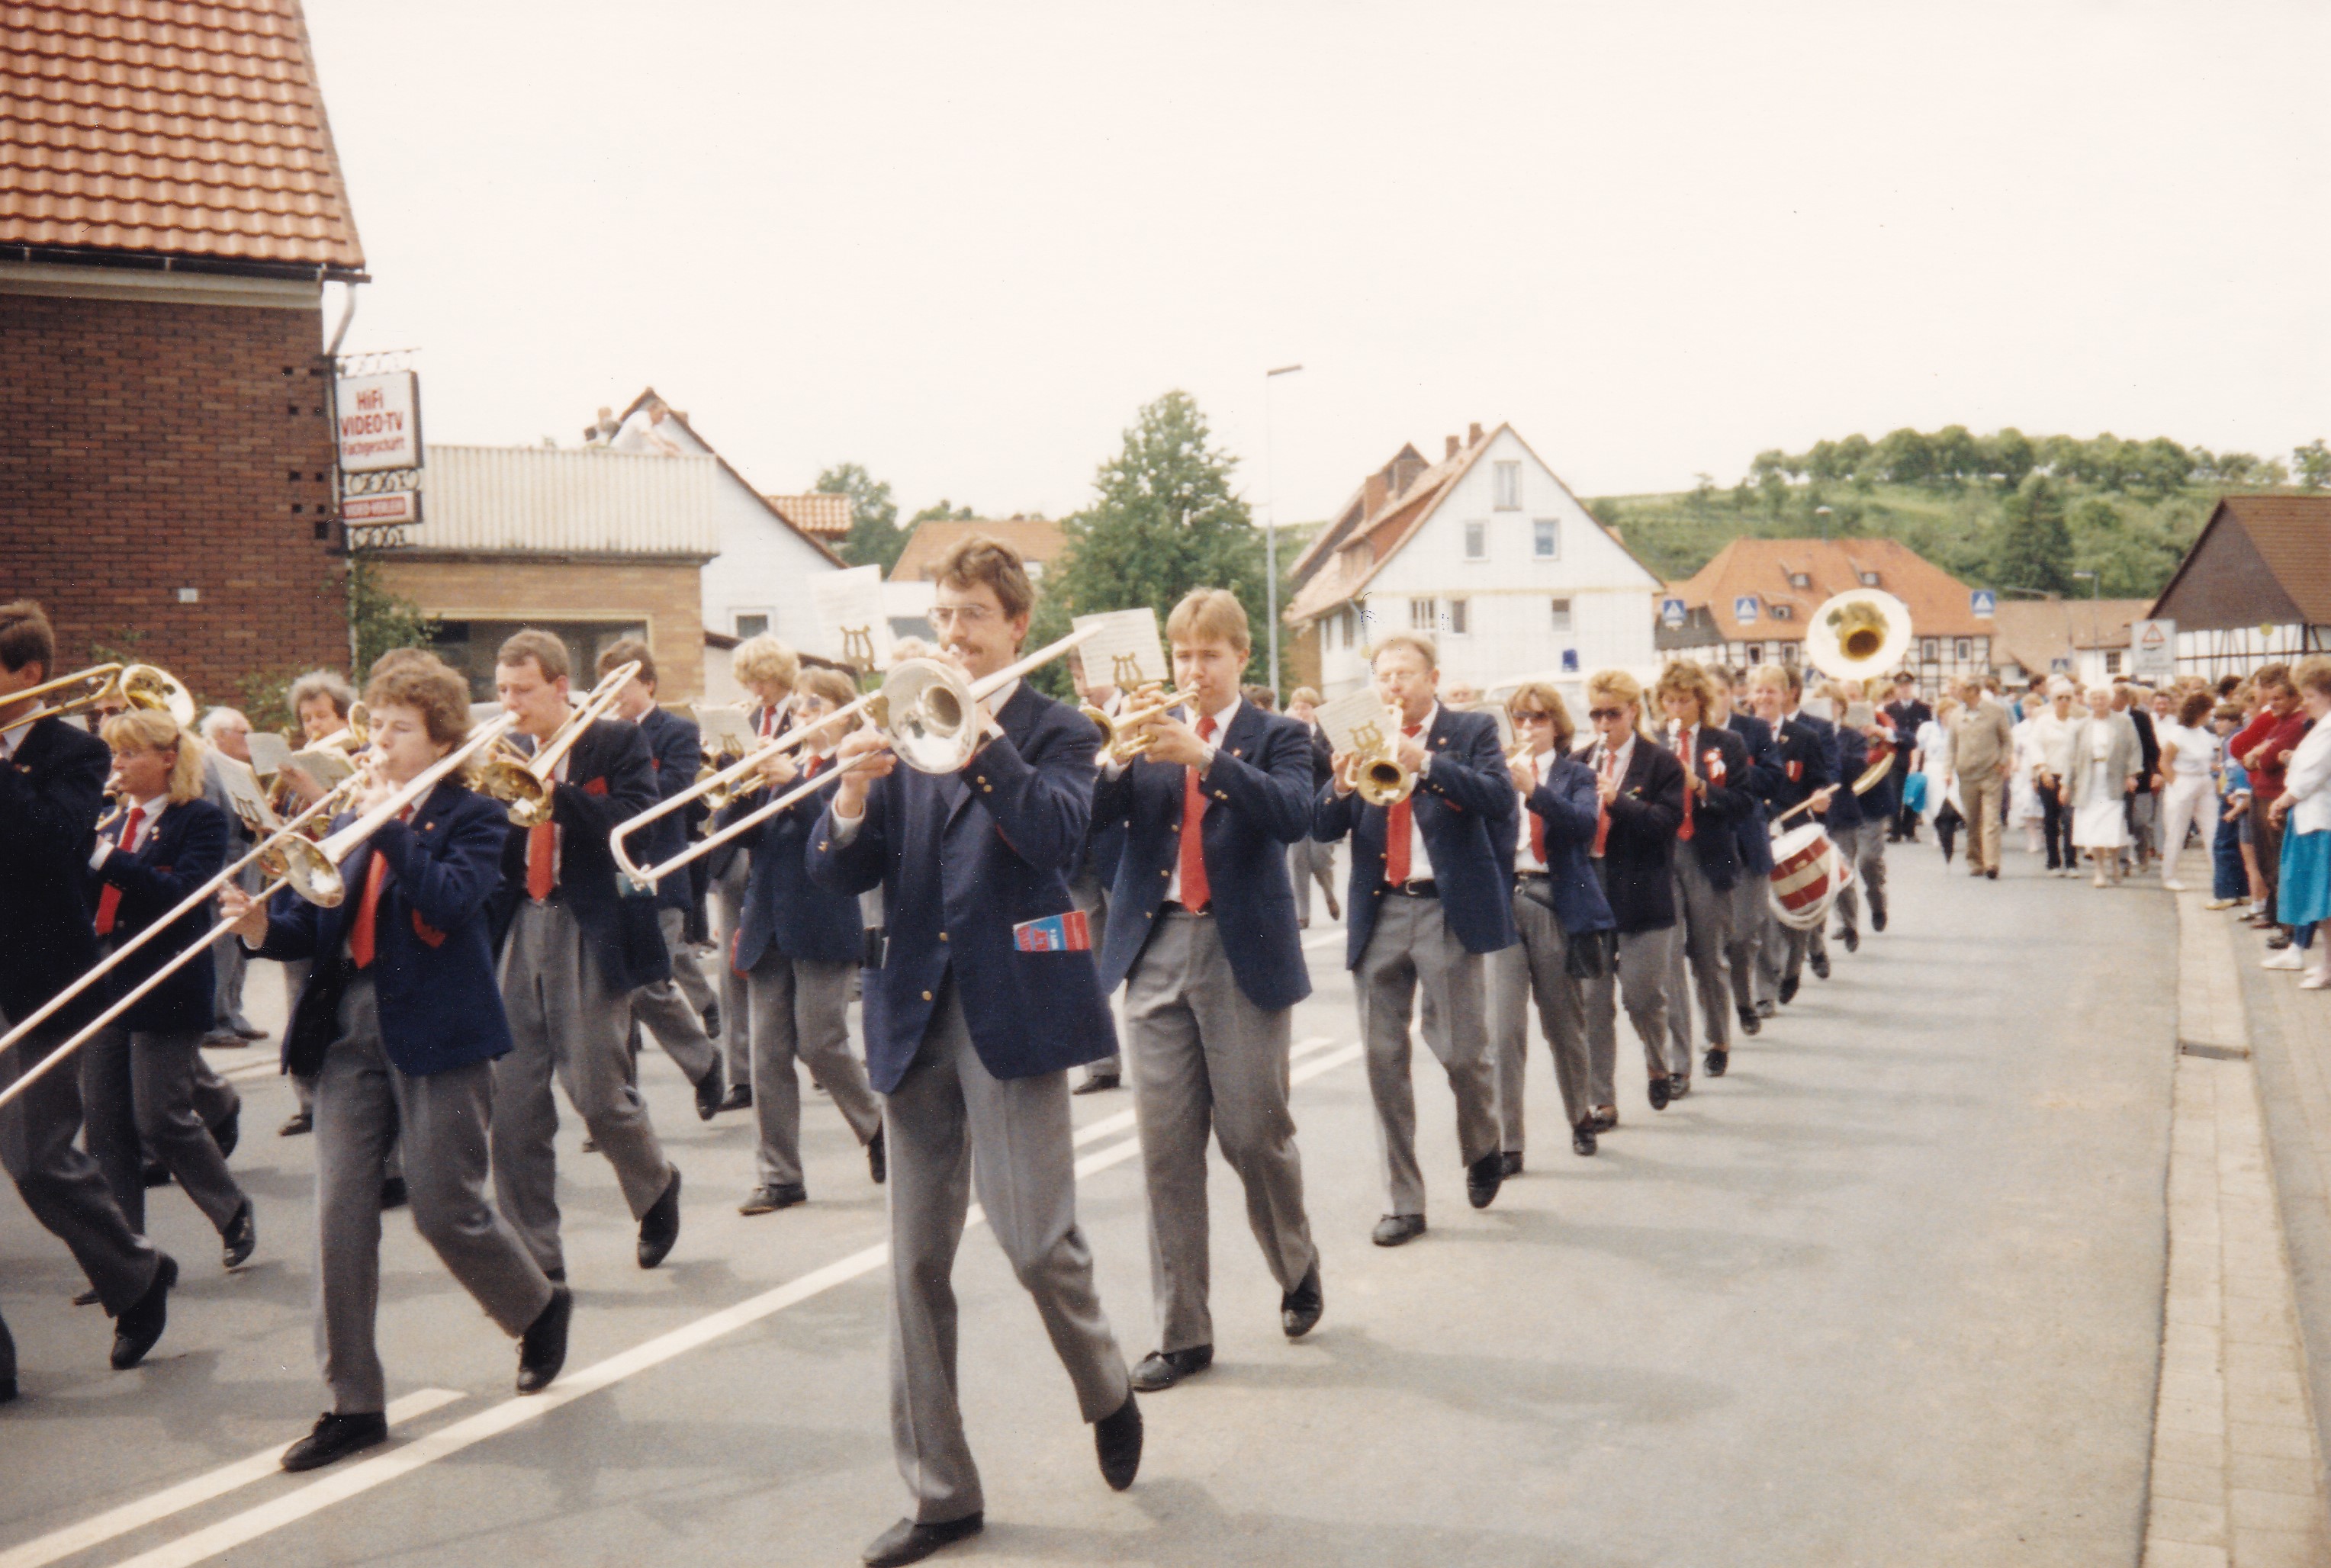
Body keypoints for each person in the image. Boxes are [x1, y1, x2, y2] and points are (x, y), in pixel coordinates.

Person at [810, 535, 1140, 1566]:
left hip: (1015, 999)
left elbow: (1055, 840)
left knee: (1035, 1242)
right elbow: (842, 870)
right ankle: (941, 1493)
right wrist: (850, 797)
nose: (951, 634)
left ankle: (1105, 1382)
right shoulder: (901, 718)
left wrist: (982, 737)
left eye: (972, 617)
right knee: (914, 1264)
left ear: (1015, 627)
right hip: (911, 1005)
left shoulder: (1057, 730)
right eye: (941, 616)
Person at [222, 652, 569, 1471]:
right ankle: (353, 1401)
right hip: (348, 1029)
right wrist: (260, 930)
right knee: (338, 1218)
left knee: (445, 1208)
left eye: (399, 729)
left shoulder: (475, 814)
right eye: (374, 725)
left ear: (440, 738)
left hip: (438, 1029)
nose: (378, 741)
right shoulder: (356, 808)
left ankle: (535, 1305)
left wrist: (388, 825)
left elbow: (451, 901)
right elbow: (320, 923)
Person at [1091, 589, 1322, 1393]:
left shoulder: (1279, 734)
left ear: (1240, 657)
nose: (1195, 669)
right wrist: (1115, 758)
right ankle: (1181, 1331)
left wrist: (1208, 760)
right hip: (1155, 943)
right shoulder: (1147, 727)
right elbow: (1088, 821)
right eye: (1183, 655)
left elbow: (1295, 814)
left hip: (1239, 946)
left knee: (1253, 1133)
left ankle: (1295, 1263)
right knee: (1165, 1151)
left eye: (1210, 655)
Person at [0, 600, 176, 1387]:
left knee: (37, 1161)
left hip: (39, 978)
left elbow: (48, 843)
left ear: (28, 675)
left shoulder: (75, 751)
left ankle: (136, 1274)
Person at [487, 629, 693, 1281]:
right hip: (519, 923)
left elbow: (639, 823)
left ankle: (654, 1184)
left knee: (598, 1094)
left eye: (522, 690)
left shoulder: (615, 740)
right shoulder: (501, 752)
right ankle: (537, 1263)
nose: (510, 704)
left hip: (587, 921)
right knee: (513, 1108)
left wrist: (553, 797)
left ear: (559, 686)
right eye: (502, 691)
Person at [1313, 632, 1516, 1245]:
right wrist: (1340, 786)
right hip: (1380, 908)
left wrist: (1422, 760)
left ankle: (1483, 1143)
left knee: (1463, 1053)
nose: (1393, 684)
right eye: (1383, 674)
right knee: (1382, 1060)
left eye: (1404, 673)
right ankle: (1403, 1199)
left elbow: (1497, 797)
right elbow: (1319, 824)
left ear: (1432, 678)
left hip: (1444, 907)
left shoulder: (1472, 729)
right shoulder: (1357, 731)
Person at [79, 708, 256, 1271]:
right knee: (105, 1126)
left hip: (168, 981)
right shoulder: (111, 822)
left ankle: (231, 1209)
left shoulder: (197, 819)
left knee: (159, 1117)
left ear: (167, 759)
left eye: (129, 753)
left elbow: (179, 894)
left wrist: (103, 857)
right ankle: (127, 1259)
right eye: (114, 752)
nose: (118, 764)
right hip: (107, 979)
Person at [715, 667, 885, 1213]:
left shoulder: (853, 764)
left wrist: (789, 782)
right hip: (767, 921)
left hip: (823, 920)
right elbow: (733, 837)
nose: (803, 715)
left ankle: (878, 1127)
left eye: (816, 706)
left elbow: (834, 832)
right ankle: (780, 1176)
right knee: (766, 1057)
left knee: (821, 1042)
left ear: (843, 713)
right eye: (800, 707)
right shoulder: (784, 763)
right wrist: (742, 783)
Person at [598, 641, 726, 1114]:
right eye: (606, 686)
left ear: (649, 685)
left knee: (648, 986)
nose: (613, 696)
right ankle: (619, 1102)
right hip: (607, 872)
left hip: (657, 870)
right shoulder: (596, 734)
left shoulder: (677, 731)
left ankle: (704, 1061)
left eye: (623, 685)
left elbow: (672, 790)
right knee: (612, 993)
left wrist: (618, 785)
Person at [1494, 683, 1616, 1160]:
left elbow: (1584, 825)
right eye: (1521, 718)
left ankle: (1579, 1116)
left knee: (1564, 1024)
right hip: (1506, 901)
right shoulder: (1497, 771)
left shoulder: (1577, 774)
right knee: (1504, 1030)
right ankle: (1510, 1142)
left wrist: (1535, 792)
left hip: (1552, 900)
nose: (1529, 727)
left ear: (1556, 725)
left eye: (1539, 718)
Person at [1577, 668, 1686, 1108]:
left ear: (1633, 712)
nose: (1604, 724)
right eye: (1596, 714)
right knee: (1593, 1003)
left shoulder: (1661, 763)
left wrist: (1617, 801)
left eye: (1613, 714)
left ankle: (1658, 1064)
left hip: (1642, 889)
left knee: (1642, 997)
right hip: (1593, 888)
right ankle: (1602, 1099)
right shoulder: (1579, 760)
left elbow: (1666, 823)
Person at [1654, 661, 1752, 1078]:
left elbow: (1743, 804)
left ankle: (1717, 1038)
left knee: (1708, 956)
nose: (1676, 709)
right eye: (1670, 701)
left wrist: (1699, 786)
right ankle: (1679, 1061)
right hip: (1664, 856)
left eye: (1684, 701)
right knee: (1669, 958)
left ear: (1700, 701)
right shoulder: (1652, 742)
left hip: (1708, 856)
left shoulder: (1726, 742)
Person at [1745, 664, 1837, 1003]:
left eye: (1771, 690)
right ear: (1750, 695)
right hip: (1756, 832)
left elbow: (1818, 779)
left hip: (1794, 831)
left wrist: (1820, 796)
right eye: (1759, 690)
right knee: (1763, 915)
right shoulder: (1738, 737)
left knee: (1798, 910)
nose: (1764, 697)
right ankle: (1765, 992)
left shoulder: (1804, 737)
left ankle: (1794, 965)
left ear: (1786, 695)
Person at [1068, 651, 1125, 1095]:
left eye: (1088, 672)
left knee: (1140, 958)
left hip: (1126, 852)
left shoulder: (1139, 710)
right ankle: (1102, 1063)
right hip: (1081, 855)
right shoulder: (1072, 721)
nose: (1082, 683)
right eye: (1076, 674)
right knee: (1086, 962)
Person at [197, 705, 267, 1047]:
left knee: (239, 945)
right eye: (243, 732)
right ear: (220, 736)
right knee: (222, 946)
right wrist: (221, 875)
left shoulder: (238, 767)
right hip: (227, 865)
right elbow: (210, 826)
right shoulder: (207, 768)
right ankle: (213, 1021)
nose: (249, 739)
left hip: (247, 861)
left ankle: (232, 1013)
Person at [1716, 668, 1781, 1033]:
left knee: (1745, 932)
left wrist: (1733, 768)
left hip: (1746, 839)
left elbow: (1773, 778)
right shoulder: (1684, 736)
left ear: (1731, 694)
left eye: (1720, 692)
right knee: (1711, 942)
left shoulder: (1753, 729)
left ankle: (1758, 994)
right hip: (1707, 845)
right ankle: (1731, 1009)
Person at [2263, 658, 2331, 986]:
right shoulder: (2322, 726)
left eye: (2311, 696)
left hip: (2321, 822)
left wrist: (2282, 800)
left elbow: (2313, 775)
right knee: (2321, 901)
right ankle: (2326, 964)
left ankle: (2329, 968)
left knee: (2324, 900)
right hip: (2311, 820)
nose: (2305, 703)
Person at [2229, 667, 2309, 944]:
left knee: (2278, 862)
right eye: (2271, 698)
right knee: (2267, 862)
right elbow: (2249, 758)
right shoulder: (2279, 723)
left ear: (2295, 698)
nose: (2272, 704)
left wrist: (2260, 753)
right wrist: (2259, 753)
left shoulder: (2296, 723)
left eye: (2279, 699)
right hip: (2262, 794)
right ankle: (2277, 917)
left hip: (2275, 796)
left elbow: (2267, 760)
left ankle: (2290, 928)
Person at [2066, 685, 2141, 886]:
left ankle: (2115, 863)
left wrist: (2132, 774)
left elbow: (2134, 749)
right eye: (2095, 698)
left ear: (2109, 700)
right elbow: (2071, 756)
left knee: (2113, 824)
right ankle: (2099, 869)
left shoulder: (2124, 722)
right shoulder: (2081, 725)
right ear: (2089, 702)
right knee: (2094, 826)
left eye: (2103, 698)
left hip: (2114, 779)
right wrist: (2066, 784)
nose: (2099, 702)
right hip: (2089, 780)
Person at [1284, 687, 1341, 928]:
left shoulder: (1326, 734)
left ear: (1315, 711)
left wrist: (1306, 737)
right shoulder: (1287, 734)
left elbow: (1329, 764)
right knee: (1298, 861)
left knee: (1319, 859)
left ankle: (1329, 893)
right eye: (1296, 707)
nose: (1300, 712)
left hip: (1322, 804)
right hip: (1299, 803)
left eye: (1305, 708)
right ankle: (1302, 914)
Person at [1947, 678, 2014, 879]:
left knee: (1991, 818)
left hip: (1991, 772)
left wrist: (2003, 762)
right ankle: (1975, 861)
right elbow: (1951, 746)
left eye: (1961, 690)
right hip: (1967, 774)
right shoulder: (1956, 715)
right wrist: (1947, 771)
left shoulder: (1995, 711)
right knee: (1972, 819)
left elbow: (2007, 740)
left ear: (1973, 691)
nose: (1957, 693)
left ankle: (1992, 863)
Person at [2155, 689, 2220, 893]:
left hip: (2204, 783)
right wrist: (2176, 785)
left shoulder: (2204, 733)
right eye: (2207, 712)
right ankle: (2169, 876)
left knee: (2212, 830)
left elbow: (2207, 760)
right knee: (2176, 832)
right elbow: (2164, 763)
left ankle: (2219, 877)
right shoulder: (2177, 734)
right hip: (2183, 782)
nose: (2210, 716)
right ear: (2198, 712)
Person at [2208, 705, 2254, 911]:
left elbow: (2234, 770)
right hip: (2241, 794)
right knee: (2237, 844)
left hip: (2233, 795)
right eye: (2216, 719)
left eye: (2223, 720)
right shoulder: (2236, 738)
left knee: (2223, 844)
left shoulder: (2231, 740)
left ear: (2234, 721)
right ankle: (2242, 891)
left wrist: (2228, 791)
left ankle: (2226, 893)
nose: (2218, 724)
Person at [1881, 673, 1931, 842]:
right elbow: (1887, 732)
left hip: (1917, 754)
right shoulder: (1889, 710)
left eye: (1907, 686)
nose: (1904, 689)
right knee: (1894, 793)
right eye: (1901, 686)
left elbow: (1926, 731)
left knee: (1914, 791)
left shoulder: (1923, 709)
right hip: (1896, 755)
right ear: (1896, 688)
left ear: (1912, 687)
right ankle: (1895, 831)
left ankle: (1910, 830)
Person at [1917, 696, 1960, 863]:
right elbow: (1919, 748)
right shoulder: (1928, 728)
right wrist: (1915, 765)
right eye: (1948, 711)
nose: (1951, 714)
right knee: (1935, 801)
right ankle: (1938, 831)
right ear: (1941, 713)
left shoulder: (1958, 728)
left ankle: (1949, 831)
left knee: (1953, 799)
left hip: (1952, 767)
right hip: (1933, 766)